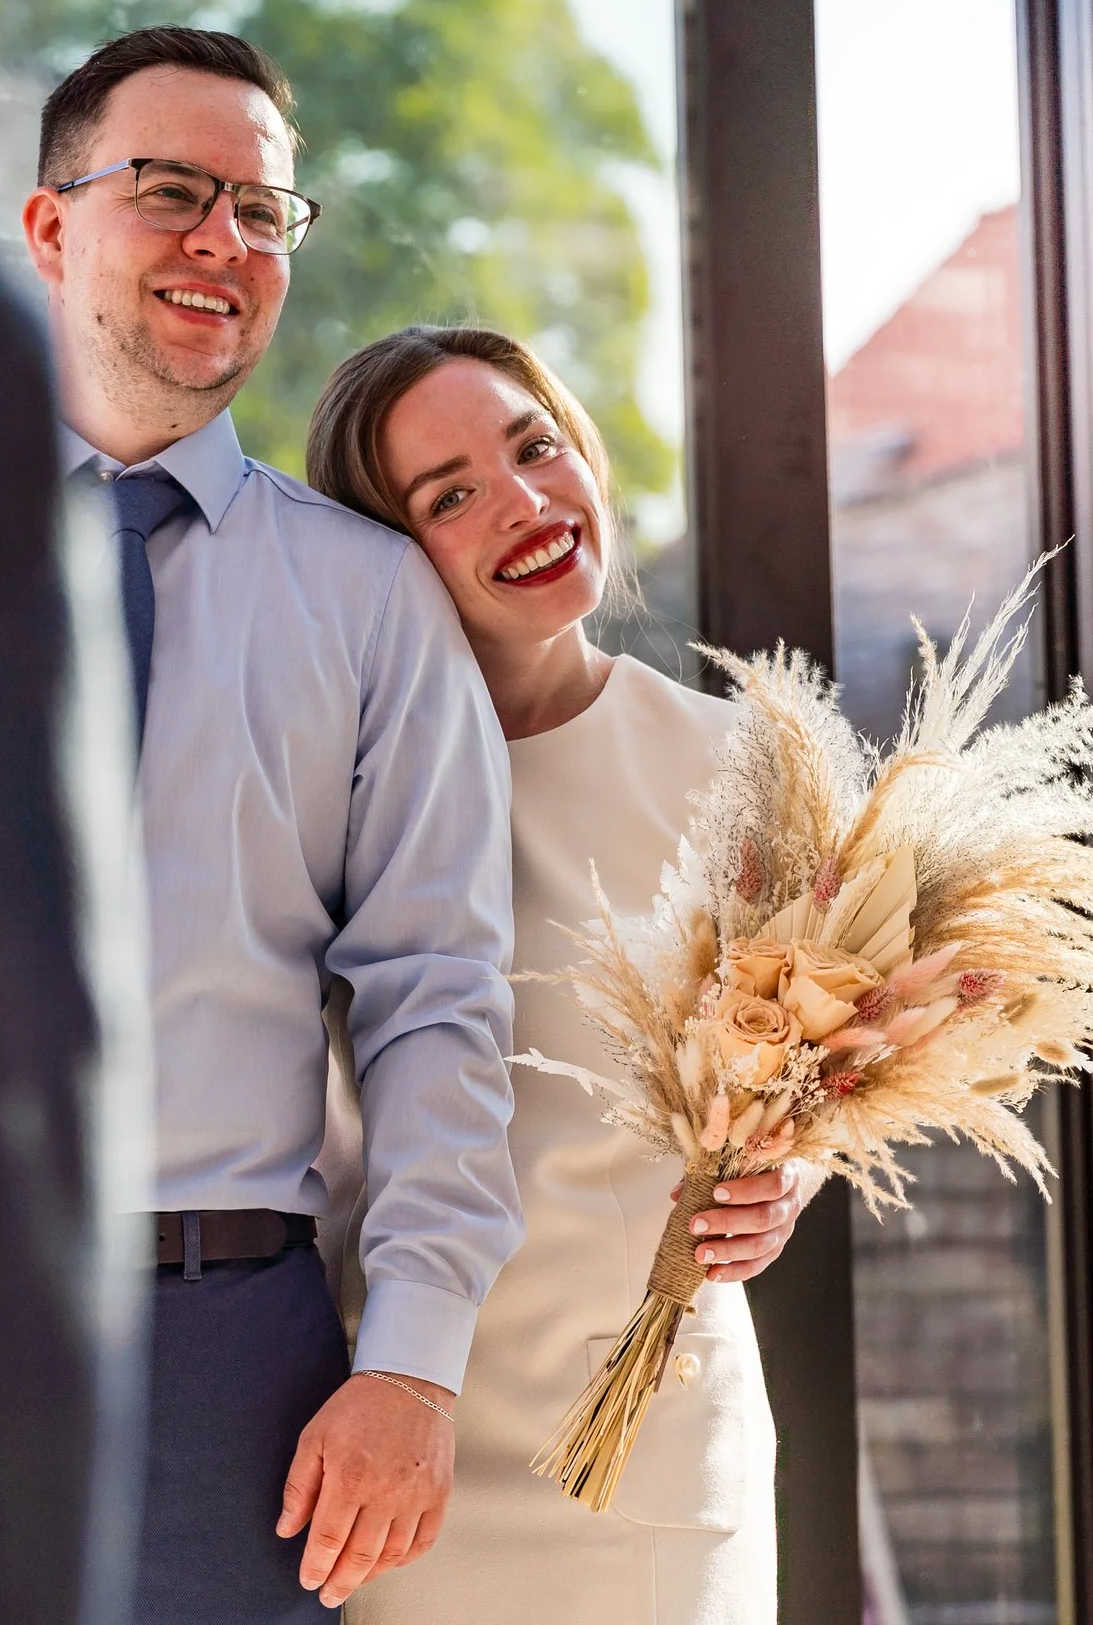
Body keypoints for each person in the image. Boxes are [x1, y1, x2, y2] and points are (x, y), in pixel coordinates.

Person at [20, 32, 525, 1622]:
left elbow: (438, 990)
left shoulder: (369, 600)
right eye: (172, 191)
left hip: (227, 1358)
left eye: (263, 211)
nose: (221, 244)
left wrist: (417, 1367)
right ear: (52, 226)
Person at [307, 327, 817, 1625]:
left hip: (648, 1446)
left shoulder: (745, 764)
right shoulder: (340, 789)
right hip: (398, 1450)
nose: (524, 502)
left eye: (534, 447)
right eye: (451, 494)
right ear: (388, 550)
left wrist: (785, 1174)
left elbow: (815, 1071)